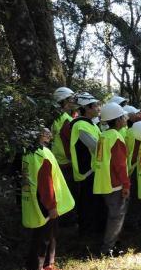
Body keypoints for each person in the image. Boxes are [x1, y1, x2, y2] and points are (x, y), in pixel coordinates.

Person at [21, 128, 75, 270]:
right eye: (46, 133)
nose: (50, 135)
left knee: (48, 235)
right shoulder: (41, 154)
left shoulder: (28, 152)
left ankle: (48, 265)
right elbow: (45, 183)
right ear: (39, 136)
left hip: (36, 199)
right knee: (43, 237)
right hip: (45, 202)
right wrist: (51, 206)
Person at [93, 103, 130, 256]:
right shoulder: (116, 137)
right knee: (116, 217)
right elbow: (120, 165)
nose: (125, 119)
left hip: (103, 182)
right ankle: (107, 249)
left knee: (113, 215)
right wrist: (126, 184)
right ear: (117, 120)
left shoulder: (104, 136)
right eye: (123, 117)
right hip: (114, 183)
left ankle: (113, 244)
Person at [69, 92, 103, 235]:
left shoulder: (91, 124)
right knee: (87, 203)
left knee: (92, 203)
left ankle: (91, 229)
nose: (98, 108)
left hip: (94, 169)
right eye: (95, 106)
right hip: (87, 171)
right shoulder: (81, 125)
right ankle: (86, 232)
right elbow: (96, 146)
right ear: (87, 108)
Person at [51, 87, 77, 226]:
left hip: (56, 159)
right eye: (70, 99)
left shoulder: (55, 117)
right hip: (66, 162)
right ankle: (68, 220)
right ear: (64, 101)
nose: (73, 101)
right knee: (68, 191)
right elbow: (67, 142)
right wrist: (72, 159)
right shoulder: (66, 119)